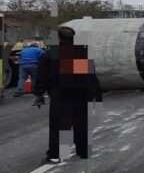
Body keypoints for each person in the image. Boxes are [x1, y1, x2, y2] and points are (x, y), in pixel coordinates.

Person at [33, 26, 102, 164]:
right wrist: (96, 93)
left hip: (61, 94)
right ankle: (83, 151)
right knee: (81, 122)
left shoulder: (50, 53)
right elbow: (91, 76)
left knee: (59, 125)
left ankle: (55, 155)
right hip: (82, 93)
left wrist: (39, 93)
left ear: (58, 38)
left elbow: (42, 76)